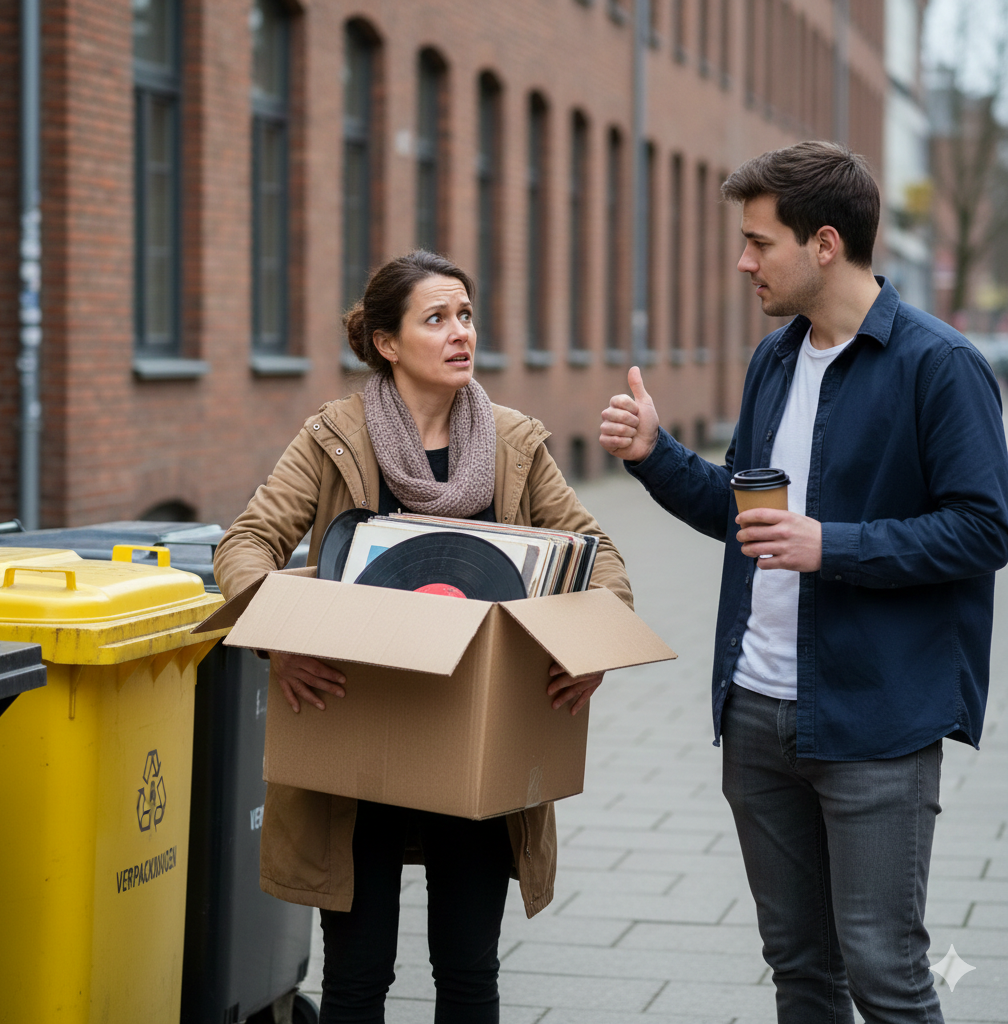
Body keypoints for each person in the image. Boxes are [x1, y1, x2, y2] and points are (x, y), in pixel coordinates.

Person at [599, 141, 1008, 1023]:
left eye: (760, 242)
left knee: (887, 976)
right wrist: (654, 456)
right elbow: (750, 522)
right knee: (798, 971)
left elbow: (985, 528)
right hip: (755, 710)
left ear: (825, 243)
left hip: (876, 722)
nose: (744, 261)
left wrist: (837, 545)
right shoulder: (776, 359)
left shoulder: (940, 365)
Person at [214, 250, 631, 1023]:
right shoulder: (334, 435)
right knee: (357, 976)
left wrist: (592, 650)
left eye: (466, 315)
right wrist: (280, 638)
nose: (459, 333)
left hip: (473, 737)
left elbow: (595, 551)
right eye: (436, 318)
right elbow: (245, 544)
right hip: (357, 736)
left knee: (469, 972)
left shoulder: (513, 441)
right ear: (386, 342)